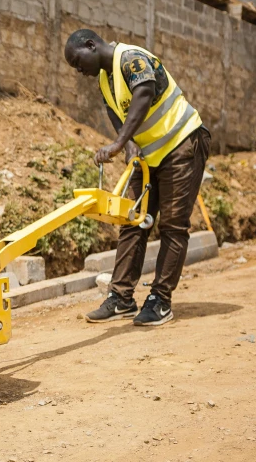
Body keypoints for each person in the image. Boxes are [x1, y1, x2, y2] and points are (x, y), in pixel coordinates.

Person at [64, 29, 210, 326]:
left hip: (182, 144)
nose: (79, 71)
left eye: (79, 62)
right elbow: (116, 112)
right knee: (132, 220)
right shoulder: (107, 80)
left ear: (92, 45)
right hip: (150, 157)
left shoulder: (131, 58)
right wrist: (129, 145)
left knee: (172, 225)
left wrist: (117, 143)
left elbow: (144, 93)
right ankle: (121, 298)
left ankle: (160, 300)